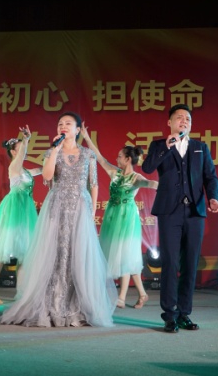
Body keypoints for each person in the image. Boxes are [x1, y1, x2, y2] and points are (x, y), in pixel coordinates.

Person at [0, 111, 117, 327]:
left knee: (77, 255)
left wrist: (92, 210)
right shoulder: (50, 151)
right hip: (57, 206)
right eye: (60, 123)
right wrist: (54, 150)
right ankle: (52, 304)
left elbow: (93, 184)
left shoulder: (88, 155)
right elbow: (47, 176)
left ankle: (77, 309)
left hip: (80, 208)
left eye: (68, 123)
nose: (63, 126)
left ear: (78, 130)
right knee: (55, 254)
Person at [141, 103, 218, 333]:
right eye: (179, 118)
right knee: (170, 262)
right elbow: (147, 167)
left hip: (194, 211)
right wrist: (167, 146)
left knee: (190, 262)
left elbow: (210, 177)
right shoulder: (159, 145)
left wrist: (213, 198)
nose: (184, 121)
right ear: (170, 122)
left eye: (188, 119)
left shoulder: (200, 147)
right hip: (169, 211)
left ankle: (184, 313)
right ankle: (169, 315)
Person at [81, 122, 158, 309]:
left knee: (125, 254)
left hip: (127, 218)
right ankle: (142, 294)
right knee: (122, 255)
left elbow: (151, 184)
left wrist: (164, 186)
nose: (116, 158)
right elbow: (99, 157)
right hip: (112, 216)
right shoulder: (114, 173)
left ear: (128, 159)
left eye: (119, 156)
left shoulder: (136, 178)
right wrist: (86, 136)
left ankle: (122, 297)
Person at [0, 125, 42, 305]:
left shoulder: (25, 171)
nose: (24, 150)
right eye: (20, 148)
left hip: (25, 212)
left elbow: (40, 170)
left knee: (24, 253)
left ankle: (21, 293)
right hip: (13, 211)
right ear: (14, 152)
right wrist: (26, 139)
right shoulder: (14, 167)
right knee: (2, 251)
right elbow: (23, 154)